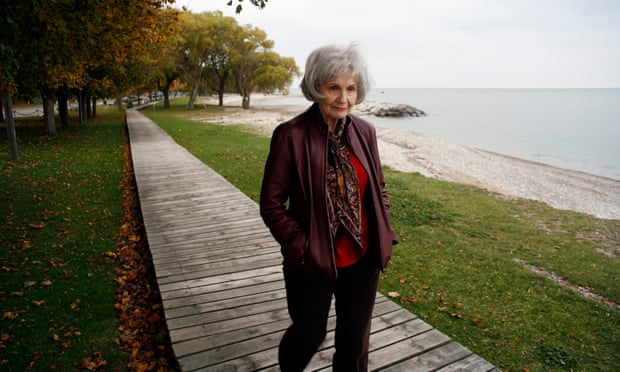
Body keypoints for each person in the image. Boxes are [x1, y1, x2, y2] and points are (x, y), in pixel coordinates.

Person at [259, 43, 398, 371]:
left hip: (362, 261)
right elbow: (272, 205)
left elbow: (378, 189)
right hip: (312, 262)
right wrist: (303, 247)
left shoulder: (365, 132)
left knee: (353, 345)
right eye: (333, 87)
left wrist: (384, 231)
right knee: (308, 334)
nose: (343, 98)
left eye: (350, 89)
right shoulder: (290, 135)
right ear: (315, 87)